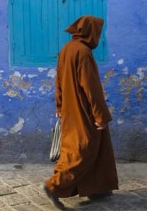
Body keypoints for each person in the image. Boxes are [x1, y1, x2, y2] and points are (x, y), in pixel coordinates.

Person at [43, 15, 118, 210]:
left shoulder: (66, 50)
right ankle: (54, 185)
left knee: (92, 146)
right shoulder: (83, 52)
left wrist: (59, 107)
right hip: (83, 110)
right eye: (97, 33)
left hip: (69, 109)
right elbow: (91, 89)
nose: (98, 38)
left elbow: (58, 82)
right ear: (90, 32)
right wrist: (100, 116)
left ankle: (97, 188)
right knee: (84, 148)